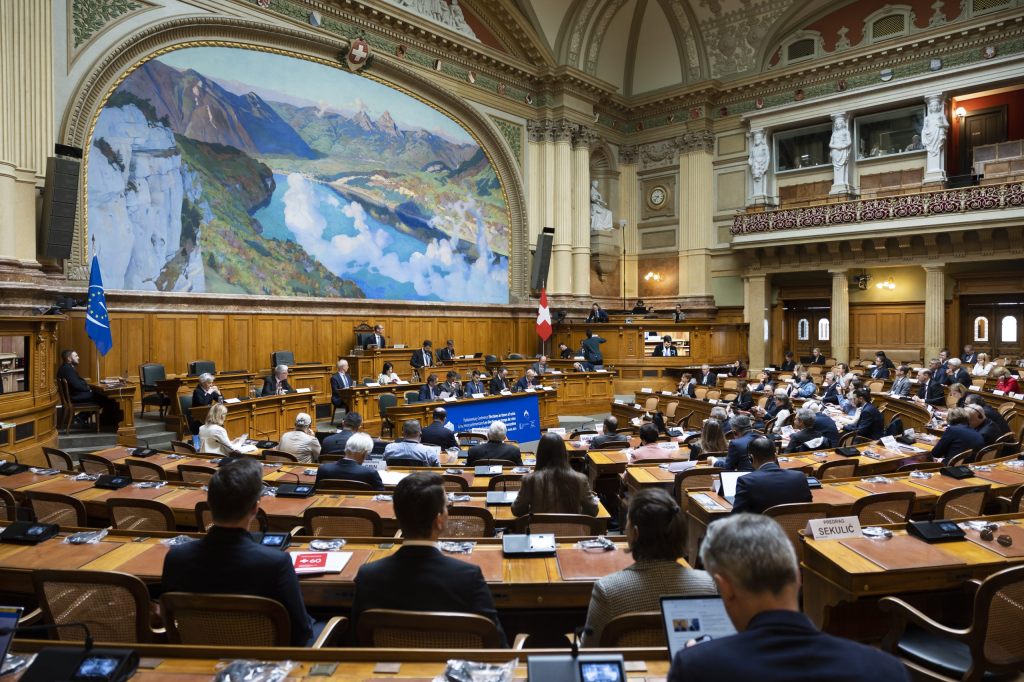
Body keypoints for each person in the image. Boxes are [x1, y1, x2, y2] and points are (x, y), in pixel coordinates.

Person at [666, 514, 910, 682]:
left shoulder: (697, 668)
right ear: (798, 577)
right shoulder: (885, 671)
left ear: (724, 588)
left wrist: (700, 654)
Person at [161, 458, 315, 646]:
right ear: (255, 509)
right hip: (266, 662)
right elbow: (301, 632)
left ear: (209, 504)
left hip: (198, 656)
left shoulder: (176, 557)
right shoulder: (275, 562)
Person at [351, 472, 505, 645]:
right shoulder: (469, 576)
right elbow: (497, 645)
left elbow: (358, 640)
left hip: (385, 670)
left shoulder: (367, 576)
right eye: (447, 506)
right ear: (439, 520)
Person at [582, 488, 716, 647]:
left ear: (635, 533)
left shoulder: (608, 590)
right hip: (689, 670)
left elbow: (589, 649)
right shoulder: (709, 586)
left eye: (628, 521)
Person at [512, 433, 598, 516]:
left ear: (540, 454)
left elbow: (517, 511)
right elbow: (593, 511)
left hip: (539, 530)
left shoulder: (529, 480)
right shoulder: (580, 479)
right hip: (573, 530)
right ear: (563, 453)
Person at [732, 437, 812, 514]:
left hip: (764, 527)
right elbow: (808, 508)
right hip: (796, 527)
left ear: (751, 458)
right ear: (775, 456)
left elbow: (737, 516)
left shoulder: (746, 481)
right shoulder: (800, 476)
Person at [56, 349, 121, 427]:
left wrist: (87, 387)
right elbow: (77, 385)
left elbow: (78, 383)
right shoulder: (67, 369)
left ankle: (84, 418)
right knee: (108, 397)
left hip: (74, 395)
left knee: (104, 397)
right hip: (74, 397)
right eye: (76, 356)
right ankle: (108, 422)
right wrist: (89, 388)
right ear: (69, 359)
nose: (78, 357)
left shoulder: (65, 368)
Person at [316, 432, 383, 491]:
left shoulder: (323, 469)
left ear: (346, 448)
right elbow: (381, 497)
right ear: (365, 453)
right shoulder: (370, 473)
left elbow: (316, 492)